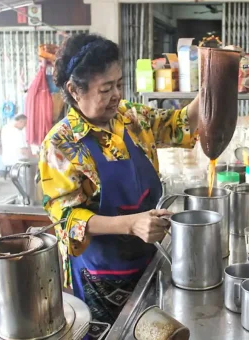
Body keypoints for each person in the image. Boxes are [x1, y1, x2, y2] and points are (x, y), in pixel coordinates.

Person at [38, 33, 202, 324]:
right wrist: (131, 223)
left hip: (148, 262)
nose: (116, 95)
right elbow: (67, 220)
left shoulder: (128, 117)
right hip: (100, 277)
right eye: (105, 89)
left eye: (119, 84)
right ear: (75, 90)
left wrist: (214, 83)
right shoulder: (61, 144)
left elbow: (179, 124)